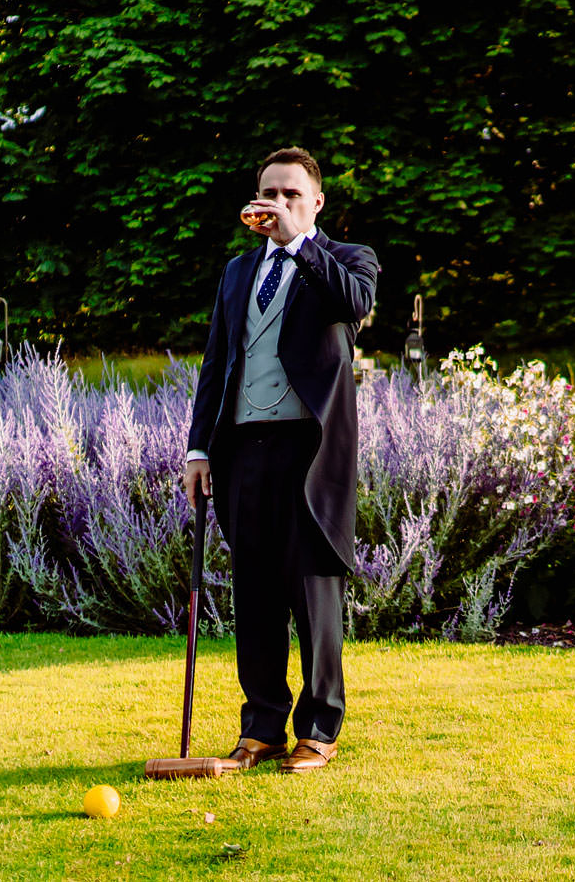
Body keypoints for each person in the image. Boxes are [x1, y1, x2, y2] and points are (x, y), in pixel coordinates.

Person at [181, 145, 378, 772]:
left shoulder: (347, 261)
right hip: (243, 451)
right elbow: (218, 362)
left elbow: (354, 305)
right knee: (256, 593)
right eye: (270, 193)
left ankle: (318, 729)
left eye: (291, 194)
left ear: (316, 202)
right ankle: (261, 725)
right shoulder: (238, 273)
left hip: (310, 451)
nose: (278, 204)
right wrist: (199, 446)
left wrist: (299, 243)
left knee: (314, 592)